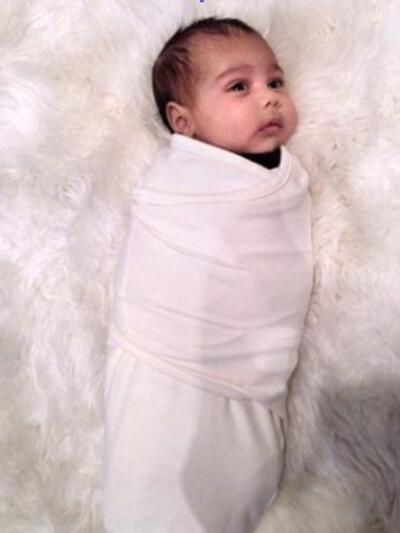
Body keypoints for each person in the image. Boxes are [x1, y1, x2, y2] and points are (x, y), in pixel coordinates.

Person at [103, 17, 314, 533]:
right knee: (155, 467)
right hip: (165, 365)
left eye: (276, 81)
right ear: (183, 121)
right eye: (239, 87)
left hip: (249, 377)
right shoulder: (175, 187)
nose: (269, 98)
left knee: (226, 474)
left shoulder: (277, 180)